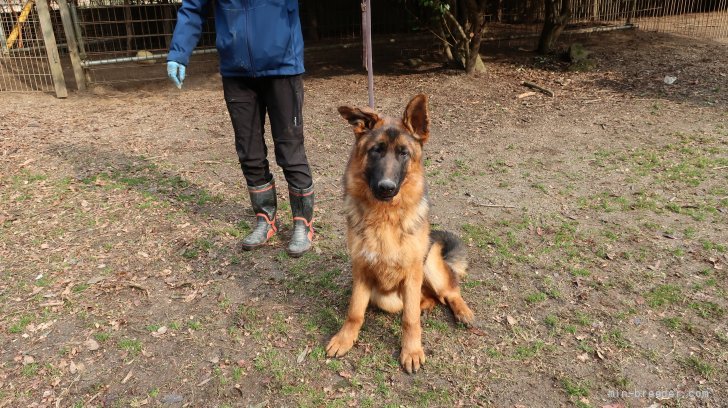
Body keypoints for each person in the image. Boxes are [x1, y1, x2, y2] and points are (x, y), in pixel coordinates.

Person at [166, 0, 314, 257]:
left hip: (282, 65)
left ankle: (303, 224)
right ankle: (264, 219)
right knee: (249, 151)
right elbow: (192, 7)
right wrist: (179, 52)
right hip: (236, 71)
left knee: (290, 149)